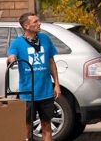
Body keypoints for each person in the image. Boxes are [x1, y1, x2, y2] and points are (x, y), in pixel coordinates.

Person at [7, 12, 61, 141]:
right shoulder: (18, 43)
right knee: (27, 127)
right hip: (28, 92)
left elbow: (52, 62)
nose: (39, 23)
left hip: (46, 91)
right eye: (35, 22)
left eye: (38, 21)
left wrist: (57, 84)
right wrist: (12, 57)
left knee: (47, 126)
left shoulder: (45, 39)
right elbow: (10, 56)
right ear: (26, 26)